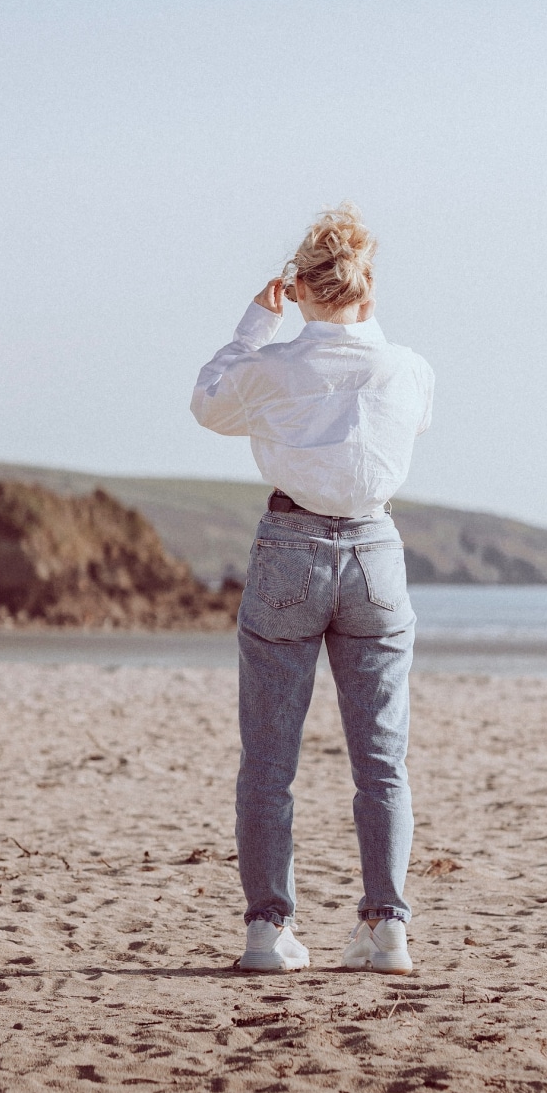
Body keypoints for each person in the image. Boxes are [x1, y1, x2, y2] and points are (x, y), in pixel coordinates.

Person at [191, 203, 434, 975]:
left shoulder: (274, 367)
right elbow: (408, 420)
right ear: (367, 286)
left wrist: (256, 326)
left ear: (298, 286)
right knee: (382, 758)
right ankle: (386, 926)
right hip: (375, 549)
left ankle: (268, 929)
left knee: (269, 759)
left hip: (290, 547)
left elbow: (208, 403)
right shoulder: (409, 368)